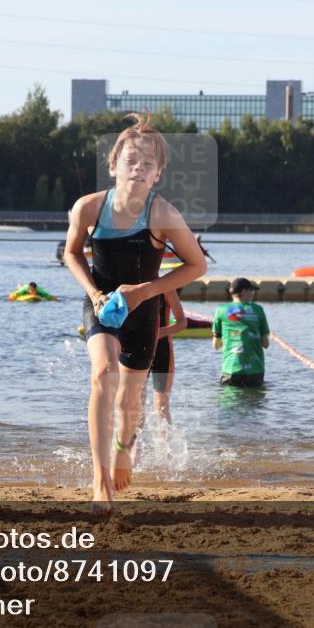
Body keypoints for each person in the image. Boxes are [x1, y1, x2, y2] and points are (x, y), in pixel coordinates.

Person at [63, 112, 208, 511]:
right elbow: (72, 254)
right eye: (131, 160)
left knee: (130, 400)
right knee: (103, 373)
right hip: (101, 305)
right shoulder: (88, 209)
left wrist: (146, 291)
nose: (138, 168)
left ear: (158, 173)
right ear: (113, 166)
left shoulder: (163, 215)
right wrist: (93, 292)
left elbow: (197, 266)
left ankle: (124, 449)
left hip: (144, 312)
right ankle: (99, 479)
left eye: (148, 163)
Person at [145, 290, 187, 444]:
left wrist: (156, 333)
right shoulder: (130, 284)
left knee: (161, 406)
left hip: (162, 352)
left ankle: (165, 453)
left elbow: (182, 322)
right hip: (136, 352)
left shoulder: (166, 287)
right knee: (134, 404)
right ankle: (134, 453)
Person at [212, 277, 269, 387]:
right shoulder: (258, 310)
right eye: (251, 291)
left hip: (231, 369)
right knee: (254, 401)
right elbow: (265, 344)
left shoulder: (221, 311)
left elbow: (215, 346)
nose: (253, 294)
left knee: (229, 401)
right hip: (255, 369)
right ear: (244, 291)